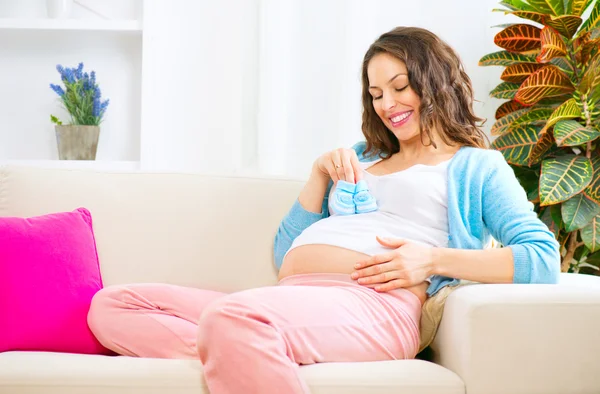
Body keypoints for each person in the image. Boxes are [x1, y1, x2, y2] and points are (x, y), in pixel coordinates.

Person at [87, 26, 561, 394]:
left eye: (399, 87)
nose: (387, 105)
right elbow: (284, 254)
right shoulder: (364, 155)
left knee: (230, 319)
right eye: (376, 94)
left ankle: (240, 343)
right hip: (293, 297)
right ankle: (243, 351)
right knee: (112, 305)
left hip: (375, 305)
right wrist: (317, 177)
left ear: (433, 82)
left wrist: (431, 260)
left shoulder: (475, 166)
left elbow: (541, 257)